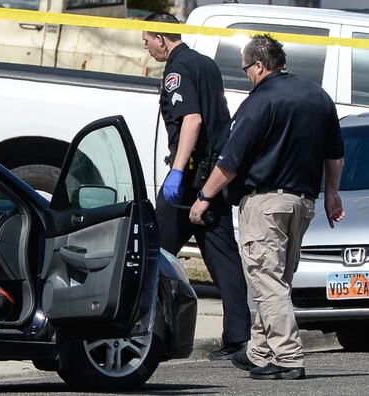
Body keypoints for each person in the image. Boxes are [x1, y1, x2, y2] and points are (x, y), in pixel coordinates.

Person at [190, 34, 346, 380]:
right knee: (277, 279)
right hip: (303, 202)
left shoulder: (259, 102)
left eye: (247, 68)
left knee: (267, 279)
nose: (246, 74)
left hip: (265, 203)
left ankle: (288, 358)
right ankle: (260, 351)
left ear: (260, 65)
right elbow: (335, 152)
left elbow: (231, 161)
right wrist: (333, 195)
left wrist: (204, 197)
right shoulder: (317, 95)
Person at [142, 12, 250, 360]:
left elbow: (192, 119)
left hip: (188, 177)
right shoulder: (207, 63)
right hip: (213, 177)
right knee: (223, 258)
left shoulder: (177, 69)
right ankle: (238, 335)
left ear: (161, 38)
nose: (147, 49)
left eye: (147, 41)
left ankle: (144, 329)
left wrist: (177, 171)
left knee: (152, 252)